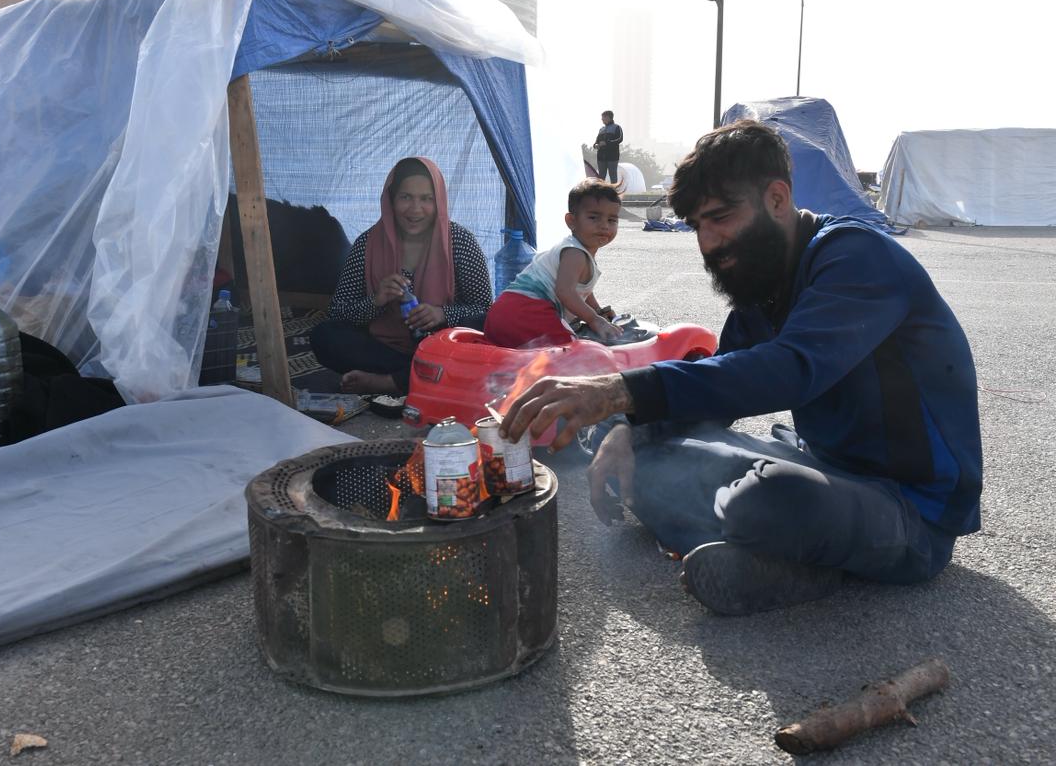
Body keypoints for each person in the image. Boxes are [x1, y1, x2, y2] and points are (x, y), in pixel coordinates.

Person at [502, 120, 982, 616]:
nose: (708, 243)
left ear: (777, 199)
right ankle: (776, 554)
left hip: (911, 510)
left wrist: (620, 390)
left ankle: (786, 552)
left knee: (769, 496)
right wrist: (629, 428)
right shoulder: (766, 280)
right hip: (821, 466)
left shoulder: (858, 259)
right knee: (641, 456)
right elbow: (722, 381)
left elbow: (789, 369)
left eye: (722, 218)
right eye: (698, 227)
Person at [310, 157, 492, 396]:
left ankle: (391, 382)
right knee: (325, 336)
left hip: (442, 347)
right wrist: (376, 301)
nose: (415, 209)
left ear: (439, 202)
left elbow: (485, 312)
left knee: (485, 337)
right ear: (391, 200)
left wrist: (442, 314)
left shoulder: (459, 242)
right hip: (385, 349)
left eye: (426, 199)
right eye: (406, 197)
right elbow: (338, 312)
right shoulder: (368, 243)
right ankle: (420, 377)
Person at [484, 178, 624, 347]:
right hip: (525, 312)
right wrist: (595, 320)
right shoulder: (575, 253)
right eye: (594, 217)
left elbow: (583, 291)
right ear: (571, 221)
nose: (604, 226)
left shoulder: (578, 251)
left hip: (505, 314)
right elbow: (566, 292)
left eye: (612, 220)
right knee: (570, 350)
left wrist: (598, 312)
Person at [594, 111, 623, 184]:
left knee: (613, 175)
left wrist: (607, 143)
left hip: (612, 156)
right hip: (601, 157)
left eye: (603, 117)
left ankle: (613, 193)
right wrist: (596, 145)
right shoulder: (601, 129)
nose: (602, 119)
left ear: (608, 117)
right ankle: (601, 194)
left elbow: (620, 139)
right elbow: (596, 142)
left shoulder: (617, 127)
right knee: (601, 177)